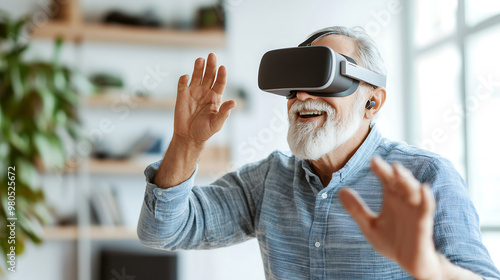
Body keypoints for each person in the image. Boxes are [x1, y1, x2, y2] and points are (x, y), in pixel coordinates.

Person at [137, 26, 500, 279]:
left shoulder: (426, 177)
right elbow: (163, 231)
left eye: (322, 79)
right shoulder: (269, 181)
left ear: (372, 101)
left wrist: (432, 270)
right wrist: (186, 144)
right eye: (294, 87)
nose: (302, 97)